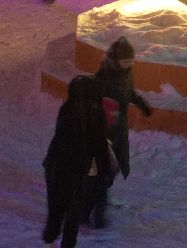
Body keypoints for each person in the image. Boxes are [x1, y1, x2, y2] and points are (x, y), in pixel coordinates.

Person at [89, 36, 154, 228]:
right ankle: (95, 214)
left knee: (113, 169)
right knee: (103, 171)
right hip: (103, 132)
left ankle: (95, 200)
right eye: (125, 61)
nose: (129, 65)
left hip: (118, 131)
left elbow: (129, 92)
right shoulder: (104, 77)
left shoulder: (125, 73)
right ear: (116, 61)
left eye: (131, 61)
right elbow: (93, 100)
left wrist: (142, 104)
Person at [43, 75, 113, 247]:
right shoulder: (96, 113)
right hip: (78, 167)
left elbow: (60, 137)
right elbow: (99, 145)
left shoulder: (66, 108)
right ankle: (66, 242)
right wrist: (105, 172)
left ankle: (51, 232)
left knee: (56, 202)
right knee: (73, 211)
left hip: (55, 163)